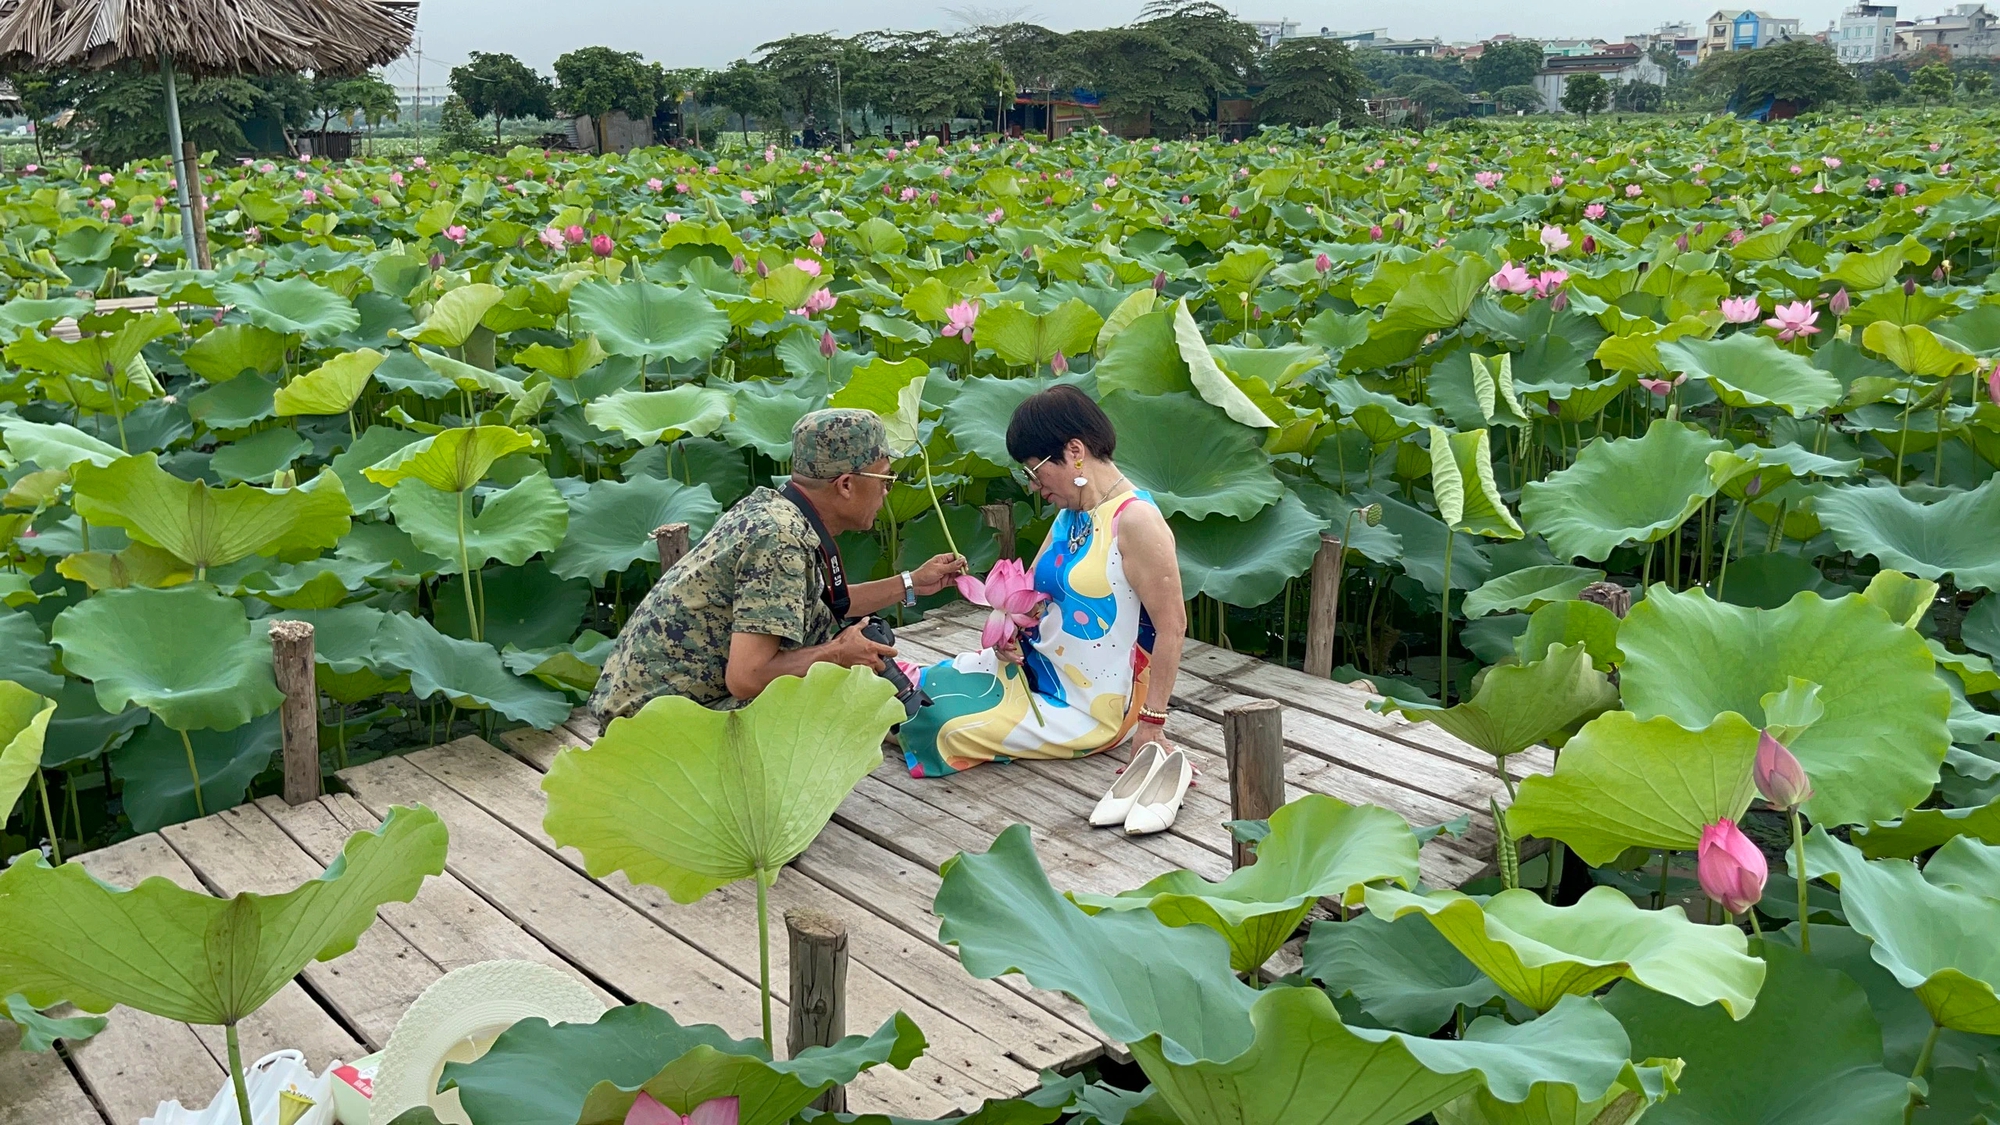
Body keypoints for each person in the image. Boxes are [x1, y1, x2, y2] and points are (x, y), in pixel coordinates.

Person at [589, 409, 966, 725]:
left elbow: (827, 603)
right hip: (656, 727)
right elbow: (747, 677)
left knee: (827, 654)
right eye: (885, 478)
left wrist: (912, 582)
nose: (888, 490)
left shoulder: (776, 510)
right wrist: (836, 652)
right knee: (831, 685)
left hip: (654, 706)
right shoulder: (780, 537)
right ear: (846, 485)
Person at [899, 386, 1188, 778]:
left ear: (1074, 451)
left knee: (942, 725)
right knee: (915, 686)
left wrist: (1152, 724)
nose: (1033, 486)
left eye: (1034, 471)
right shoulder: (1072, 514)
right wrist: (1007, 635)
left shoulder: (1135, 521)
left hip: (1090, 708)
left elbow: (1173, 626)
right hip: (1034, 673)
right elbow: (1030, 597)